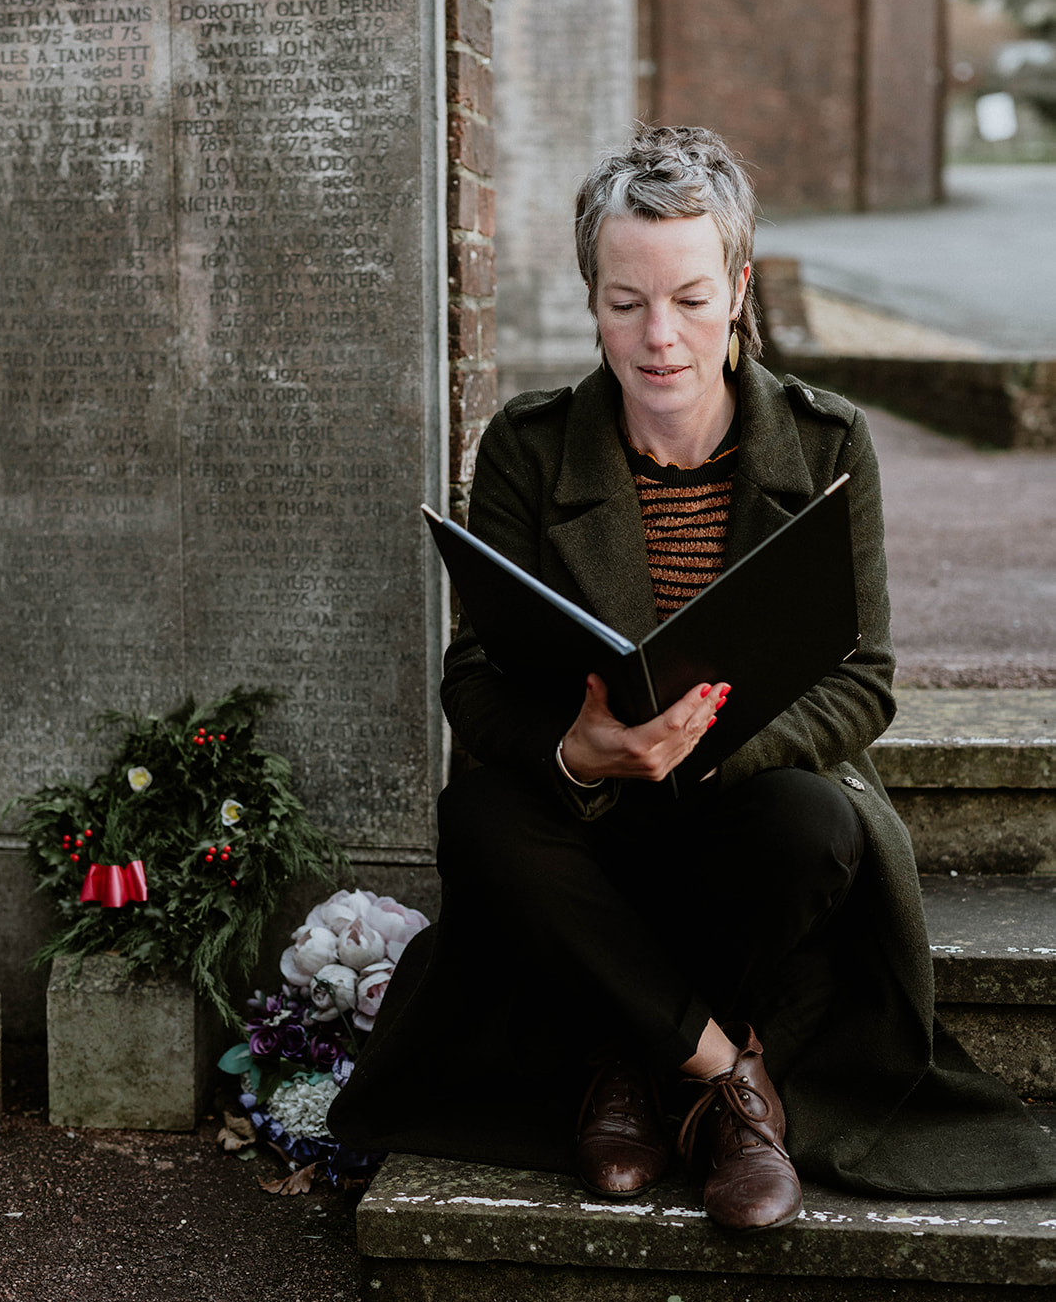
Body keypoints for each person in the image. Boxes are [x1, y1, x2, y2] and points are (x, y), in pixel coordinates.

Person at [330, 125, 1056, 1227]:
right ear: (590, 296)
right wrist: (582, 751)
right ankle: (723, 1077)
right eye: (624, 302)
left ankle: (626, 1065)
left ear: (737, 289)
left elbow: (864, 680)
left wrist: (713, 755)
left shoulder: (827, 444)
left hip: (740, 820)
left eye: (687, 297)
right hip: (585, 828)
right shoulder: (526, 450)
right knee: (478, 816)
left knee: (816, 824)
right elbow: (474, 683)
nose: (657, 337)